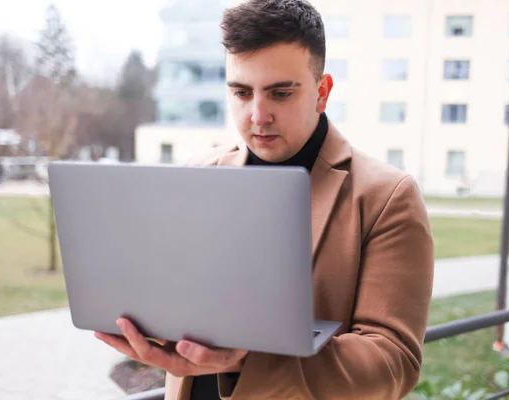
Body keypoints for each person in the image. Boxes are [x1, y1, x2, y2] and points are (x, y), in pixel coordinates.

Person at [95, 0, 434, 399]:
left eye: (280, 93)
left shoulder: (387, 197)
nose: (258, 115)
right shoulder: (199, 171)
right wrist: (154, 331)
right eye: (241, 92)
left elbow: (393, 364)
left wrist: (247, 361)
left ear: (322, 92)